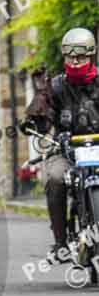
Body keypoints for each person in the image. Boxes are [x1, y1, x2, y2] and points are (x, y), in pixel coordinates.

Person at [21, 28, 99, 258]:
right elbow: (42, 108)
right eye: (70, 57)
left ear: (91, 56)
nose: (75, 62)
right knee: (54, 178)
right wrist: (35, 121)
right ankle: (61, 242)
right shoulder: (54, 86)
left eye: (81, 56)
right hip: (66, 150)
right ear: (64, 57)